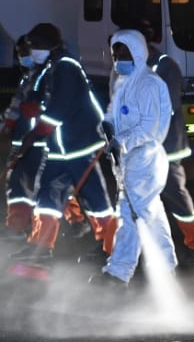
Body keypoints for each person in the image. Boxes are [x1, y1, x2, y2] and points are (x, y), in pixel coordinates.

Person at [9, 22, 118, 268]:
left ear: (51, 44)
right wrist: (33, 104)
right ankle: (40, 247)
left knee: (95, 199)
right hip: (58, 148)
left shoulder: (67, 67)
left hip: (79, 146)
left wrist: (34, 134)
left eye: (36, 45)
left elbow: (60, 107)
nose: (33, 50)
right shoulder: (50, 67)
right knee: (47, 196)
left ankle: (112, 246)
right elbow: (40, 94)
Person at [91, 29, 178, 288]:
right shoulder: (124, 82)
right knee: (133, 216)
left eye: (124, 53)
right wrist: (106, 126)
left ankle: (159, 270)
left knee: (144, 216)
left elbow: (150, 127)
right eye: (116, 53)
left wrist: (121, 141)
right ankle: (124, 271)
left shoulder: (149, 83)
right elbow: (113, 114)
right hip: (128, 161)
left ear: (138, 53)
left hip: (145, 160)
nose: (119, 59)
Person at [135, 19, 194, 266]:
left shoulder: (166, 67)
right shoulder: (130, 66)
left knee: (174, 193)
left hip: (165, 146)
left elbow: (165, 106)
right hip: (138, 145)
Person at [2, 34, 46, 242]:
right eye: (19, 54)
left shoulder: (44, 77)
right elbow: (15, 108)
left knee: (41, 186)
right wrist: (7, 123)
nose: (22, 57)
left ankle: (63, 225)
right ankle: (18, 227)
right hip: (23, 142)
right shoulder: (28, 78)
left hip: (38, 143)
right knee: (18, 184)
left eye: (25, 53)